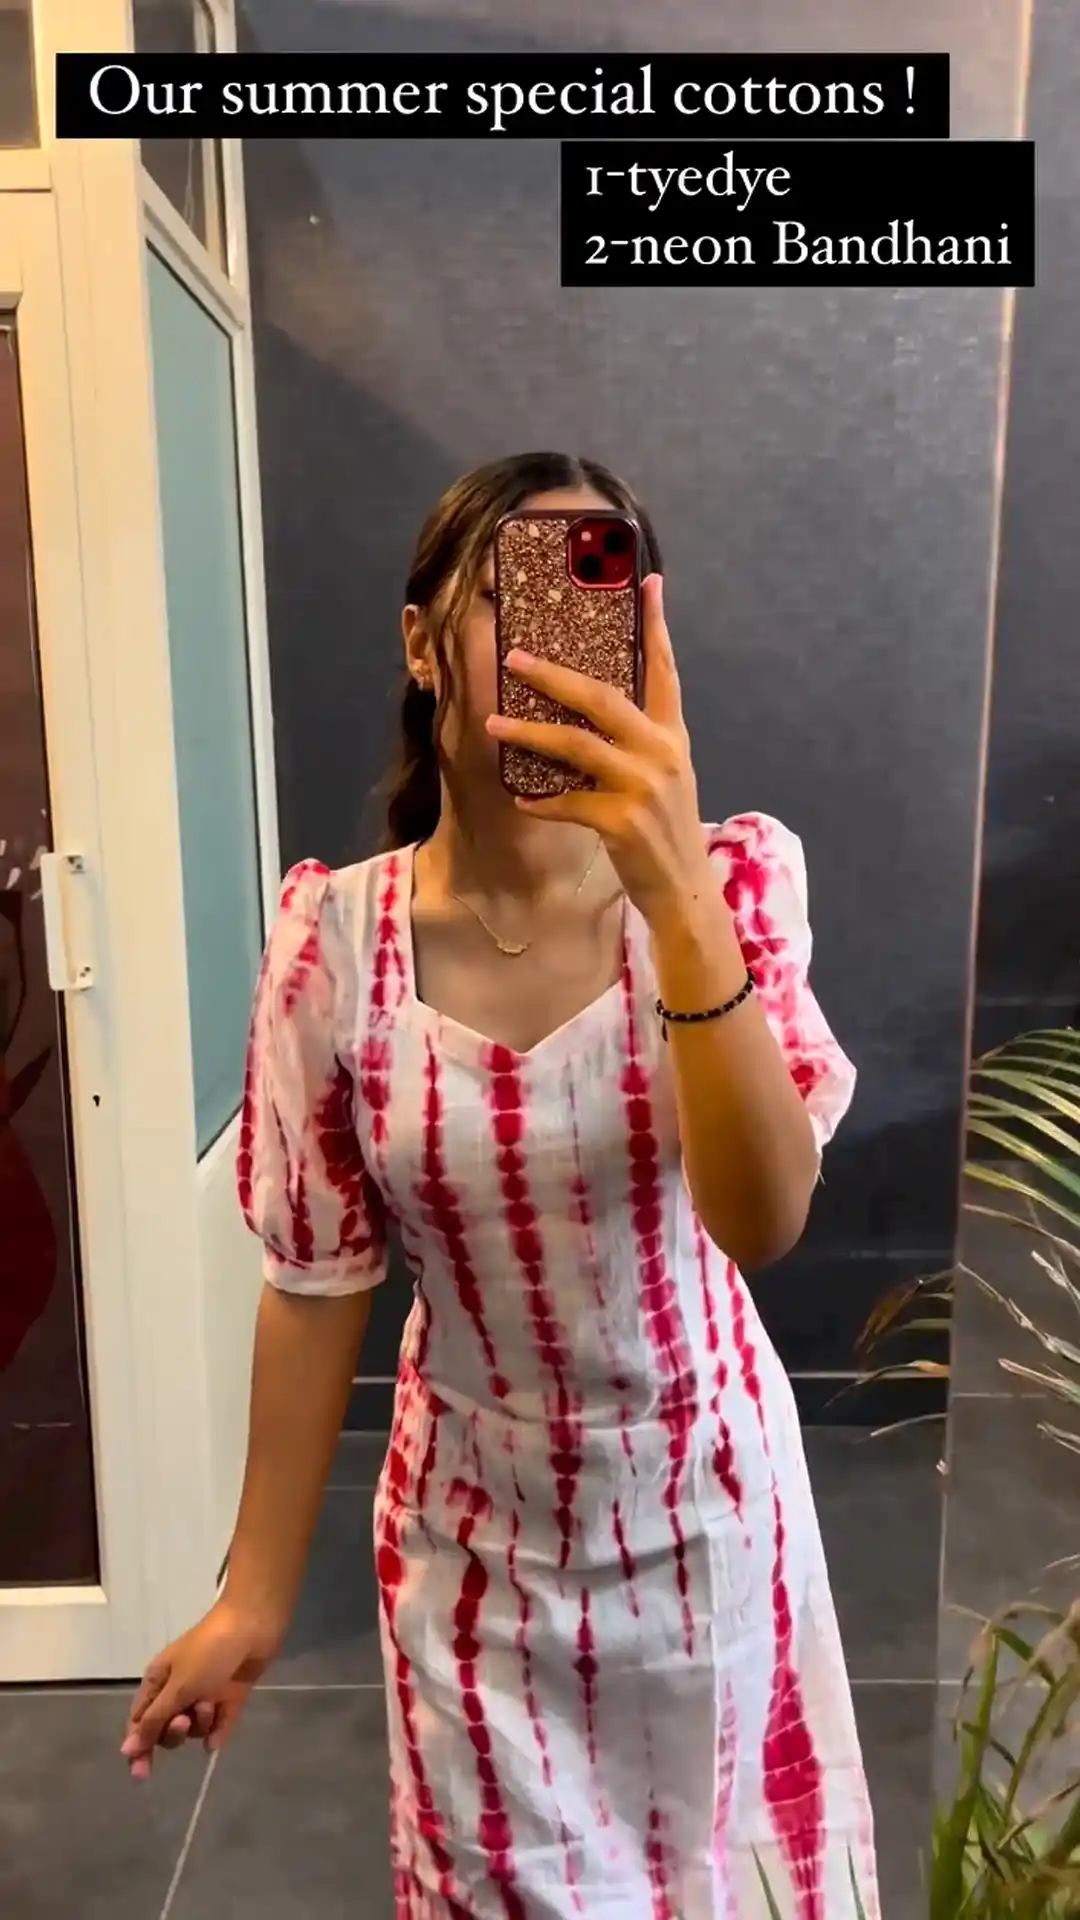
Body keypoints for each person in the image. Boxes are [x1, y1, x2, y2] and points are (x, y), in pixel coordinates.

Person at [122, 452, 880, 1919]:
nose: (557, 647)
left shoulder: (728, 889)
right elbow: (313, 1285)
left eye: (599, 599)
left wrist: (673, 893)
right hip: (473, 1558)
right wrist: (253, 1597)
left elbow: (766, 1217)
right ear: (422, 643)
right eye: (513, 598)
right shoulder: (336, 943)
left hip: (711, 1529)